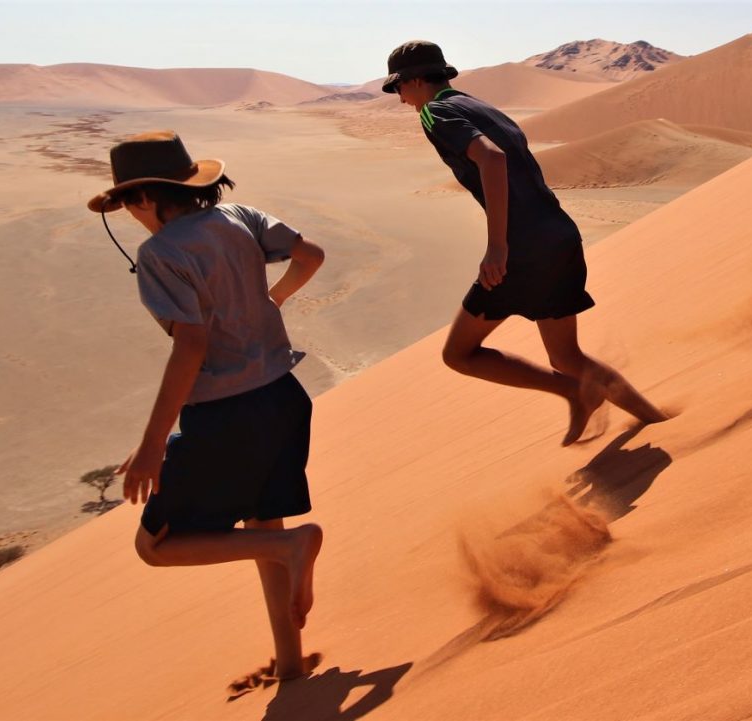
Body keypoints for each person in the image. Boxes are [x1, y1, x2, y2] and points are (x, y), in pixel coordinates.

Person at [89, 130, 325, 681]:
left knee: (156, 545)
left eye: (126, 201)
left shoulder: (159, 254)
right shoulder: (239, 215)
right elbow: (310, 254)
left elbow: (190, 345)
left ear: (145, 197)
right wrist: (275, 298)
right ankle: (290, 665)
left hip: (226, 415)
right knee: (265, 531)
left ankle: (295, 547)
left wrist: (152, 446)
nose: (127, 213)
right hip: (283, 399)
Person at [383, 40, 670, 445]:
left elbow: (493, 158)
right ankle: (659, 422)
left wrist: (498, 246)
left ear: (414, 81)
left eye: (399, 89)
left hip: (523, 248)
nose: (401, 100)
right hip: (559, 236)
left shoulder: (436, 111)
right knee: (567, 356)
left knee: (459, 355)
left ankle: (573, 391)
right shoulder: (478, 105)